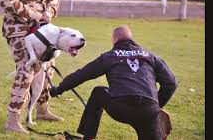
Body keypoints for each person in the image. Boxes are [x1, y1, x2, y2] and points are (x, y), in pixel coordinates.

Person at [50, 25, 178, 140]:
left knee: (98, 92)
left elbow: (81, 75)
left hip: (120, 107)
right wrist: (157, 105)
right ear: (131, 38)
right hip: (148, 111)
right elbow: (171, 83)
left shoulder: (110, 56)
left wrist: (57, 90)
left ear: (114, 39)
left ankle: (88, 137)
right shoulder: (151, 57)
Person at [0, 0, 63, 134]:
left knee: (48, 67)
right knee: (27, 69)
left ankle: (42, 110)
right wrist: (35, 15)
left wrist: (49, 12)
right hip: (18, 31)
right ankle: (13, 119)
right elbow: (7, 0)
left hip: (42, 30)